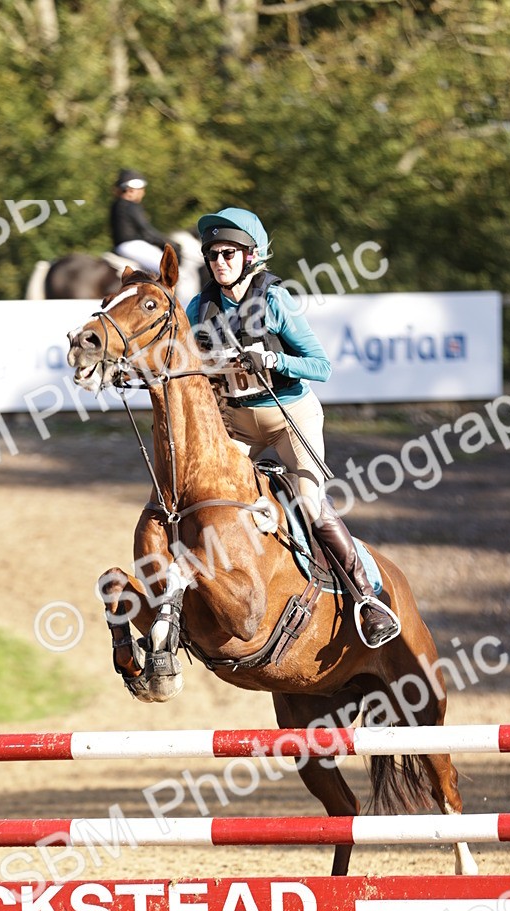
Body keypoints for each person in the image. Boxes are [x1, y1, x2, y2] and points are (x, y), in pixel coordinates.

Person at [185, 207, 400, 648]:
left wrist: (273, 359)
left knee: (310, 502)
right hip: (237, 424)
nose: (219, 262)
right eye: (213, 254)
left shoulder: (275, 301)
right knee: (202, 500)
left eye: (229, 253)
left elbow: (321, 366)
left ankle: (367, 599)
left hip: (289, 417)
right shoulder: (198, 308)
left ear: (251, 256)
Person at [110, 169, 179, 275]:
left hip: (121, 247)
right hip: (134, 246)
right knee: (171, 269)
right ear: (131, 190)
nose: (143, 193)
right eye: (141, 190)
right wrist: (166, 242)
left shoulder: (116, 205)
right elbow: (145, 230)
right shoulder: (130, 206)